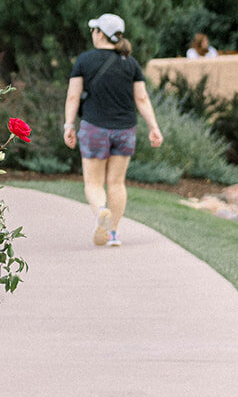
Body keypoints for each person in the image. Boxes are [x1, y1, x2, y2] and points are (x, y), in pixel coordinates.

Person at [62, 13, 163, 249]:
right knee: (117, 183)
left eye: (94, 30)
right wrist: (154, 128)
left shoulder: (84, 61)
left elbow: (73, 96)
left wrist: (69, 125)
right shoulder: (131, 63)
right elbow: (142, 98)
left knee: (94, 183)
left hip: (94, 128)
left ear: (100, 34)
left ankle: (100, 211)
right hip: (125, 129)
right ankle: (114, 233)